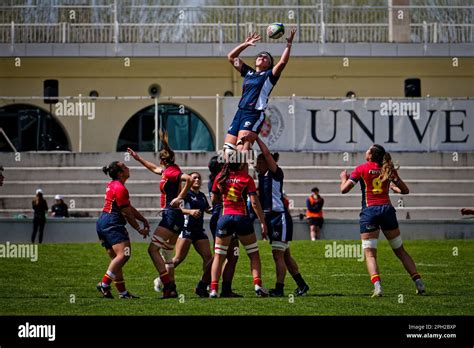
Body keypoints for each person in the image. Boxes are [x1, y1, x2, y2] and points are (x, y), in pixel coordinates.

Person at [340, 144, 426, 297]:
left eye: (368, 149)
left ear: (371, 155)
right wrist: (395, 188)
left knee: (370, 254)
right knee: (400, 251)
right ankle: (419, 282)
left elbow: (344, 189)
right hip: (387, 211)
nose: (365, 151)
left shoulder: (361, 169)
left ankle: (378, 287)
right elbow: (406, 191)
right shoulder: (388, 169)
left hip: (370, 212)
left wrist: (343, 179)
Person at [127, 131, 192, 299]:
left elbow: (189, 179)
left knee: (152, 249)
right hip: (174, 215)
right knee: (167, 255)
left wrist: (179, 197)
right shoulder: (168, 170)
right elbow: (154, 168)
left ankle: (168, 285)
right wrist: (138, 158)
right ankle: (172, 290)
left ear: (163, 160)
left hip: (171, 215)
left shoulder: (171, 172)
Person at [223, 28, 297, 156]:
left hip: (253, 114)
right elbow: (231, 57)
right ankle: (229, 176)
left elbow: (283, 62)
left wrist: (288, 45)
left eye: (266, 57)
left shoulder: (269, 75)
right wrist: (245, 44)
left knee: (241, 152)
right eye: (260, 55)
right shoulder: (249, 72)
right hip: (240, 112)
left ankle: (244, 176)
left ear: (269, 64)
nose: (262, 57)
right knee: (228, 152)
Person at [255, 137, 310, 297]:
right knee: (285, 255)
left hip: (280, 218)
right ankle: (302, 285)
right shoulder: (261, 176)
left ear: (266, 162)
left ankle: (279, 289)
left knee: (277, 254)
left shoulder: (276, 173)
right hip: (271, 219)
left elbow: (265, 152)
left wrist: (256, 137)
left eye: (260, 162)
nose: (257, 165)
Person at [210, 160, 269, 298]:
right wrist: (262, 222)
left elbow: (213, 199)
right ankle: (258, 286)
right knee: (253, 254)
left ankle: (213, 290)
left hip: (224, 218)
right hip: (241, 218)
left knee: (219, 256)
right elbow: (254, 202)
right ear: (241, 165)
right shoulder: (246, 178)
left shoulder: (220, 177)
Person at [96, 161, 150, 299]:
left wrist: (143, 219)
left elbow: (128, 207)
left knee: (116, 259)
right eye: (125, 167)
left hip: (102, 222)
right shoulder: (120, 188)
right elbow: (126, 213)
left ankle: (122, 293)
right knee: (124, 254)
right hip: (112, 223)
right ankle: (104, 283)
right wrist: (139, 229)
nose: (128, 168)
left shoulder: (113, 185)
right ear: (120, 173)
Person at [171, 171, 213, 298]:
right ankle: (162, 277)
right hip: (187, 229)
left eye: (199, 178)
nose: (197, 180)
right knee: (178, 259)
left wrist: (217, 208)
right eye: (194, 178)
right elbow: (175, 209)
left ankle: (203, 285)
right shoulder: (186, 194)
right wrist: (190, 211)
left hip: (199, 231)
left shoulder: (201, 195)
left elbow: (207, 209)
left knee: (209, 259)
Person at [208, 156, 242, 297]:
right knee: (230, 256)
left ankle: (206, 286)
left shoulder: (215, 179)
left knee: (220, 255)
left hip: (218, 218)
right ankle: (224, 289)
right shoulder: (221, 179)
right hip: (225, 217)